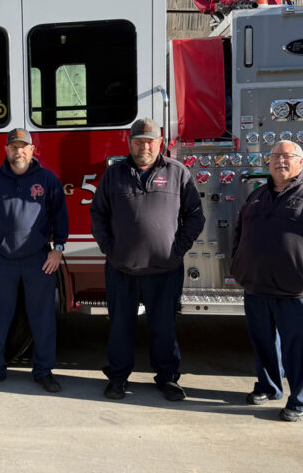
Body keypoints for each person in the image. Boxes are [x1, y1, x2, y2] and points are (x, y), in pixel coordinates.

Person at [231, 139, 303, 422]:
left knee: (301, 350)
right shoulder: (257, 197)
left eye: (287, 157)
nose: (280, 161)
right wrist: (239, 264)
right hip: (257, 287)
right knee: (264, 345)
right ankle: (269, 387)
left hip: (297, 292)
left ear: (301, 162)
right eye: (275, 157)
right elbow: (239, 232)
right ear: (268, 162)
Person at [90, 118, 204, 401]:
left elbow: (195, 215)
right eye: (139, 141)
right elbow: (98, 213)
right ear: (129, 143)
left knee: (164, 327)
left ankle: (168, 379)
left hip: (165, 269)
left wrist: (177, 249)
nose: (145, 146)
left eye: (150, 141)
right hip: (121, 268)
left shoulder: (177, 172)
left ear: (160, 143)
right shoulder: (114, 174)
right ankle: (117, 378)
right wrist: (110, 249)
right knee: (120, 327)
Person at [0, 128, 69, 393]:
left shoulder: (47, 180)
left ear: (32, 150)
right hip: (2, 260)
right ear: (6, 150)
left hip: (38, 260)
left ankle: (44, 371)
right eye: (14, 147)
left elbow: (60, 215)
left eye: (23, 147)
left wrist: (58, 249)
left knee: (42, 318)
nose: (19, 151)